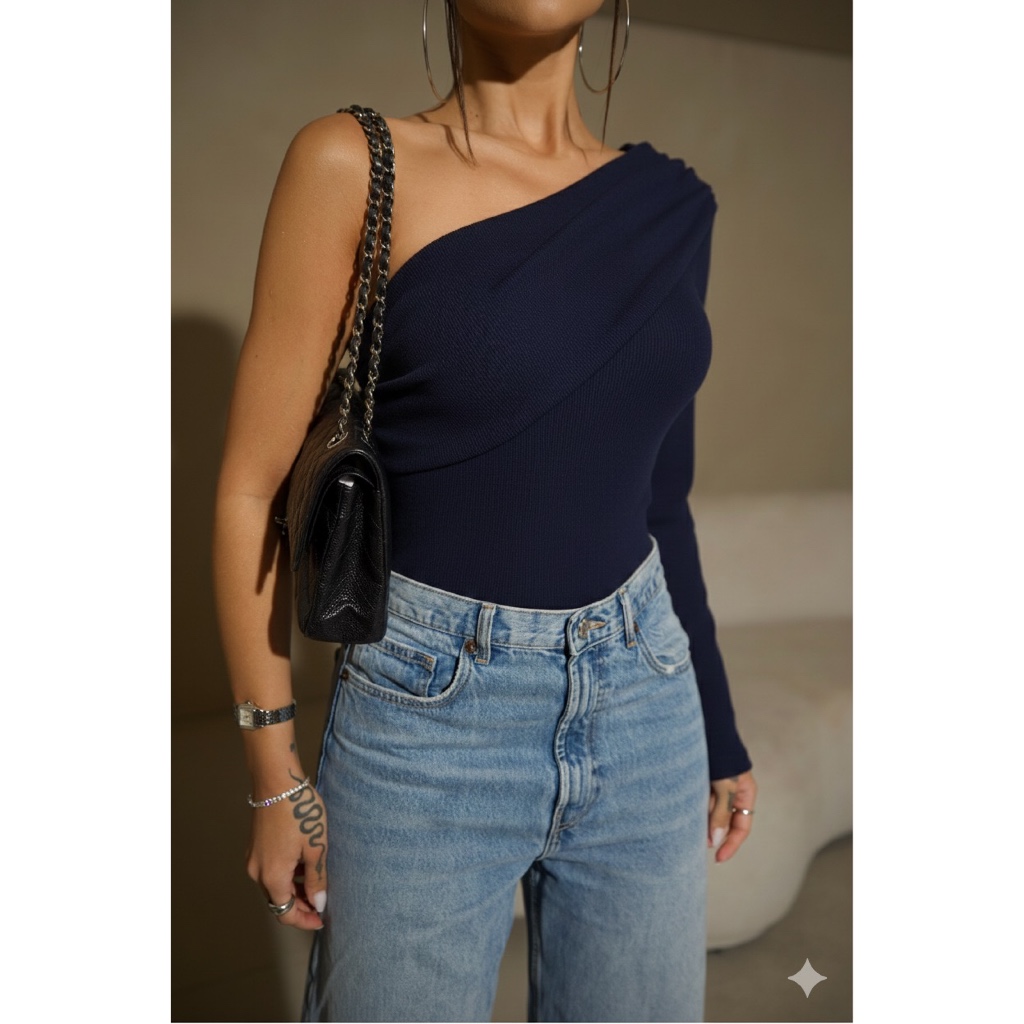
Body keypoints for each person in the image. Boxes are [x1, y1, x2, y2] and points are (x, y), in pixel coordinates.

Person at [213, 1, 758, 1020]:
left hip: (647, 699)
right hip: (427, 716)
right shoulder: (351, 163)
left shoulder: (675, 206)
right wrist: (272, 773)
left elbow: (661, 498)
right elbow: (254, 487)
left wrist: (719, 731)